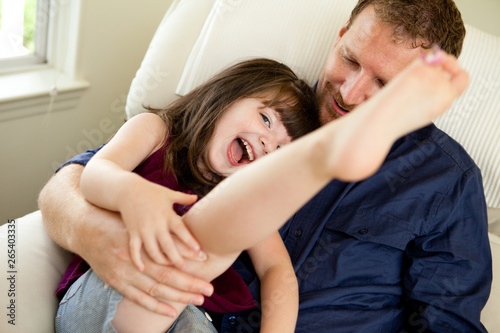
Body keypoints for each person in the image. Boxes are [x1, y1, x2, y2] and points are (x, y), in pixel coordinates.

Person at [39, 0, 492, 332]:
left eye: (384, 85)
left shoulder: (446, 181)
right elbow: (77, 180)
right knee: (197, 245)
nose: (349, 95)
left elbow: (445, 322)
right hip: (157, 304)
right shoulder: (266, 101)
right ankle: (323, 156)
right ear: (339, 37)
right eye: (350, 60)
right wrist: (93, 234)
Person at [56, 58, 320, 333]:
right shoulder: (155, 132)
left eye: (279, 152)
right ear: (228, 95)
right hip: (108, 288)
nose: (267, 144)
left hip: (185, 315)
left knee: (193, 322)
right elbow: (95, 173)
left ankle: (203, 255)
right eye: (266, 119)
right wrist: (130, 192)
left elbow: (276, 269)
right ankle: (204, 253)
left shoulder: (247, 199)